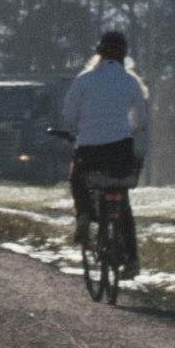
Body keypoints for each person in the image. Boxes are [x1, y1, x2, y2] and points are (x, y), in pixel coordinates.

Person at [56, 31, 151, 242]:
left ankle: (83, 214)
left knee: (78, 178)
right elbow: (142, 119)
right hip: (120, 149)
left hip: (89, 148)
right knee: (121, 198)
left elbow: (69, 113)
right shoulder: (131, 82)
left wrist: (81, 126)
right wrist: (129, 129)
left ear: (98, 53)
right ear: (123, 55)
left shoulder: (84, 80)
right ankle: (130, 258)